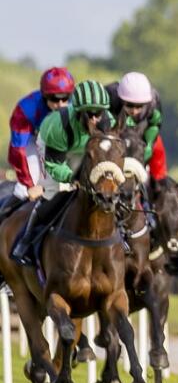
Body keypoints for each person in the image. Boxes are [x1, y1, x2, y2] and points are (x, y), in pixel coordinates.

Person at [11, 80, 113, 266]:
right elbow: (54, 164)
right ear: (78, 111)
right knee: (53, 192)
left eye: (98, 113)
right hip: (53, 147)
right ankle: (25, 242)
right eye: (88, 113)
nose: (94, 119)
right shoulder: (60, 127)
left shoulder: (109, 121)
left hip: (84, 149)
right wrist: (72, 178)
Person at [5, 68, 76, 211]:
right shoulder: (25, 110)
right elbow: (18, 151)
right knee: (26, 188)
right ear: (44, 96)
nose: (61, 104)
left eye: (65, 98)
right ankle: (6, 215)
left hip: (62, 144)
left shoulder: (76, 107)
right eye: (55, 99)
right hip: (32, 141)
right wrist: (30, 185)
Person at [106, 72, 168, 182]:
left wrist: (149, 145)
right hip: (115, 131)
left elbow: (155, 126)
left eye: (139, 106)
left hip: (140, 131)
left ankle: (160, 186)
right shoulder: (109, 96)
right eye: (129, 105)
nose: (134, 111)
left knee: (158, 146)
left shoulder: (154, 102)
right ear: (121, 99)